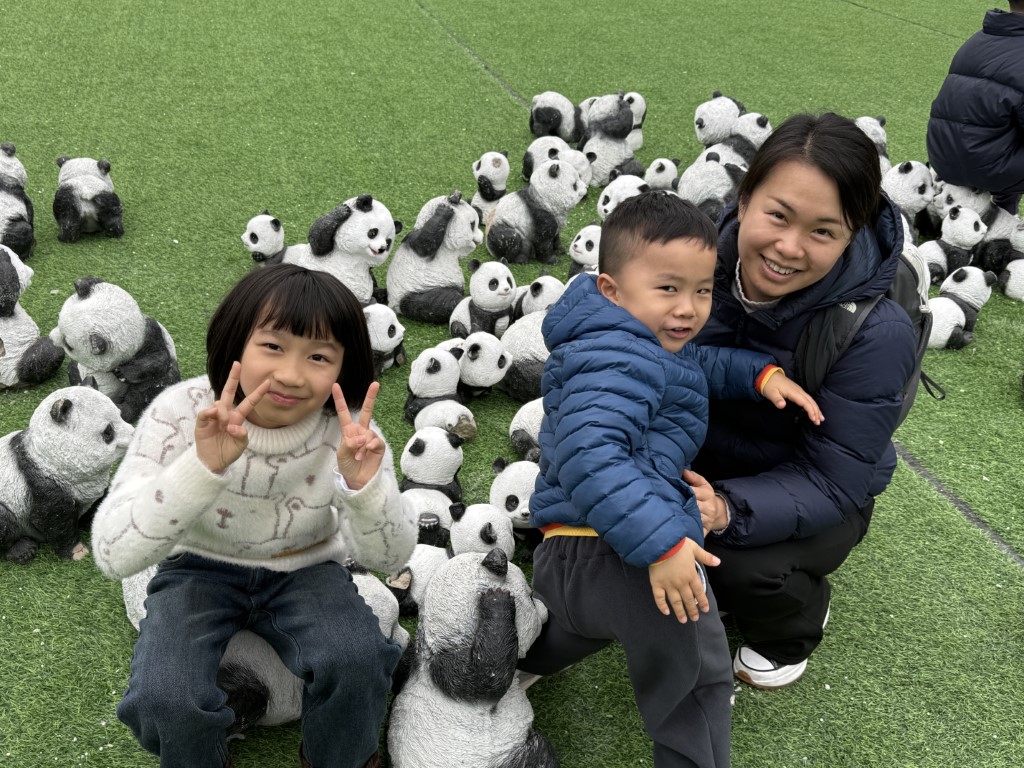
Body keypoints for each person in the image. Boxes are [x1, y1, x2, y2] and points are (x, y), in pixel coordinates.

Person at [517, 191, 823, 768]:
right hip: (625, 553)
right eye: (668, 288)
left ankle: (513, 664)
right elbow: (590, 455)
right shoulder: (621, 358)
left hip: (568, 552)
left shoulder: (622, 341)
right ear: (611, 289)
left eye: (702, 290)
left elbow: (694, 366)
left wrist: (759, 375)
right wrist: (661, 544)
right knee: (698, 682)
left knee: (573, 628)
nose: (688, 308)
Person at [90, 264, 417, 768]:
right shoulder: (181, 411)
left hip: (305, 567)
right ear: (236, 340)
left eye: (319, 356)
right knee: (164, 696)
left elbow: (390, 557)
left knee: (358, 657)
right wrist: (201, 467)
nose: (291, 374)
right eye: (272, 346)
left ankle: (341, 759)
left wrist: (364, 488)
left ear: (343, 367)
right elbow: (114, 554)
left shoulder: (349, 434)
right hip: (197, 568)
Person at [687, 112, 918, 690]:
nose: (788, 248)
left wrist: (726, 510)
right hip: (703, 455)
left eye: (823, 232)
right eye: (778, 215)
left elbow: (833, 478)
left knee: (734, 564)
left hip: (816, 485)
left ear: (851, 234)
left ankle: (794, 624)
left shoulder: (875, 331)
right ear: (745, 200)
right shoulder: (690, 258)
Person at [926, 1, 1024, 215]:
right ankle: (1003, 211)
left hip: (943, 158)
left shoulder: (977, 40)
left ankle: (1001, 212)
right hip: (987, 168)